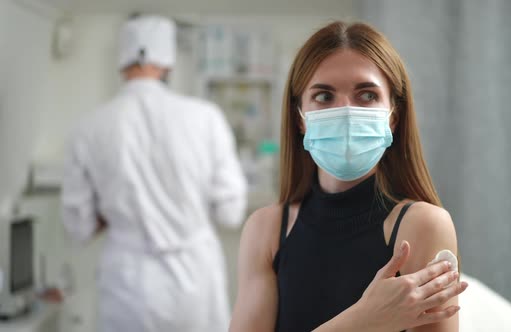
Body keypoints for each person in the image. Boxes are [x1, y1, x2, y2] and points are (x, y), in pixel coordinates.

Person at [230, 21, 468, 332]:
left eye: (367, 96)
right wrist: (364, 320)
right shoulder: (266, 230)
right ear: (300, 118)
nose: (345, 112)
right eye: (324, 96)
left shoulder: (422, 225)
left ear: (393, 118)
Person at [61, 15, 247, 332]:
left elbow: (78, 225)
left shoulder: (88, 127)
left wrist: (114, 214)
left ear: (122, 64)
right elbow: (231, 211)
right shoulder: (205, 118)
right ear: (168, 64)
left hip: (127, 281)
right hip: (194, 279)